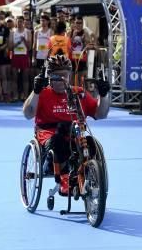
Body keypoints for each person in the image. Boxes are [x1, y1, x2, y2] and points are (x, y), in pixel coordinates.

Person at [22, 54, 110, 196]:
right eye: (57, 76)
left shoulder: (79, 93)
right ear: (49, 76)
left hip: (75, 133)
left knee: (91, 143)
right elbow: (27, 114)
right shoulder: (43, 94)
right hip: (49, 133)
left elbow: (101, 114)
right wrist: (36, 91)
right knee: (59, 141)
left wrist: (104, 95)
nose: (62, 80)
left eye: (65, 75)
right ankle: (64, 180)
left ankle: (89, 178)